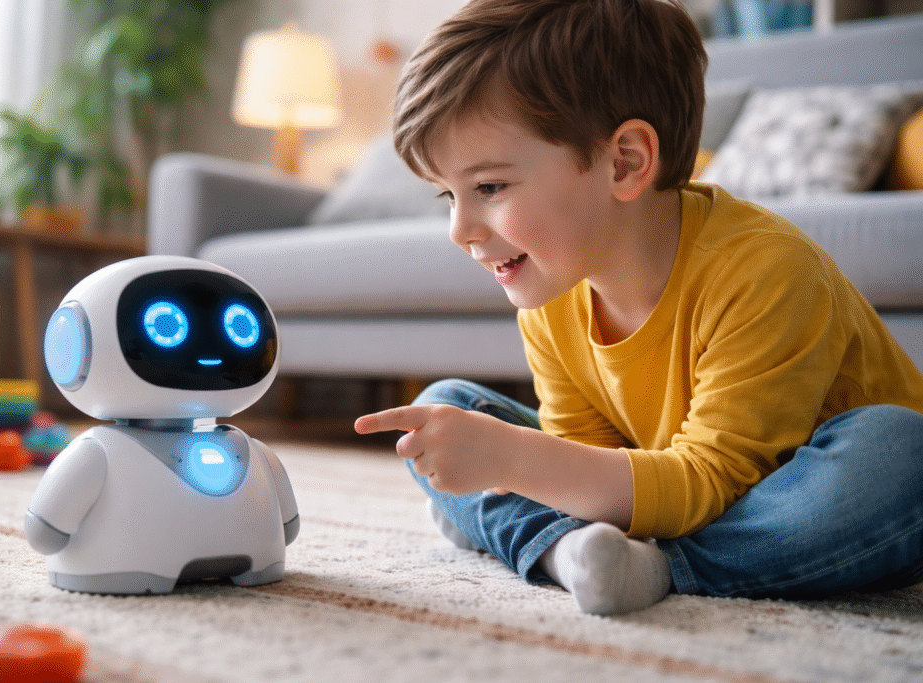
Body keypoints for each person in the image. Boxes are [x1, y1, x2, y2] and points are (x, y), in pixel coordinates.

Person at [354, 0, 923, 615]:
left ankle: (647, 564)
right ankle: (570, 552)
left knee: (901, 452)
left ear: (625, 162)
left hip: (793, 494)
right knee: (441, 409)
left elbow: (710, 479)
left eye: (489, 187)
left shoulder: (765, 270)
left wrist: (513, 462)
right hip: (665, 486)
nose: (459, 230)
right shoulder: (554, 287)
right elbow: (584, 460)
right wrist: (527, 468)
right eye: (448, 194)